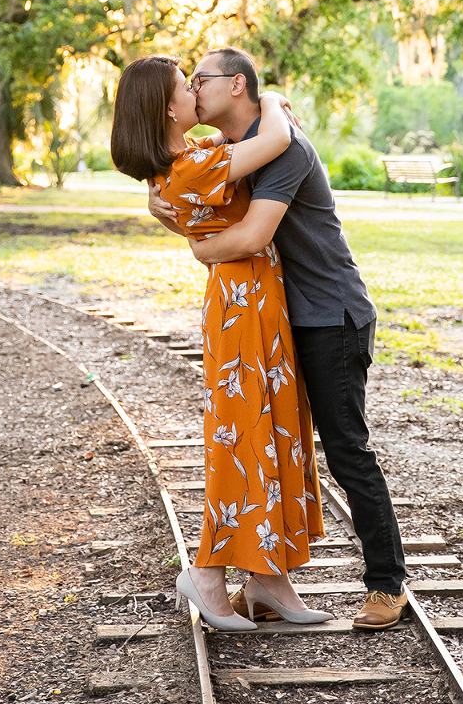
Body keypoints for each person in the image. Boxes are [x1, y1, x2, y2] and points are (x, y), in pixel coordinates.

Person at [148, 46, 408, 630]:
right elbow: (190, 191)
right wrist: (160, 204)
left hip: (330, 315)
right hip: (287, 319)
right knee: (270, 447)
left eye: (201, 79)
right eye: (186, 83)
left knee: (345, 448)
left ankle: (387, 582)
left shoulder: (284, 146)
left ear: (236, 86)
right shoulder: (233, 149)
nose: (193, 88)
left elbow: (250, 236)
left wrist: (199, 249)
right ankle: (264, 581)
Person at [110, 55, 332, 632]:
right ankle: (207, 571)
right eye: (186, 87)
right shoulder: (196, 163)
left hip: (257, 297)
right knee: (246, 435)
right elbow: (277, 138)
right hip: (242, 305)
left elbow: (186, 217)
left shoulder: (184, 166)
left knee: (274, 426)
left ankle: (268, 578)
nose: (194, 94)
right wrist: (276, 99)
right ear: (167, 108)